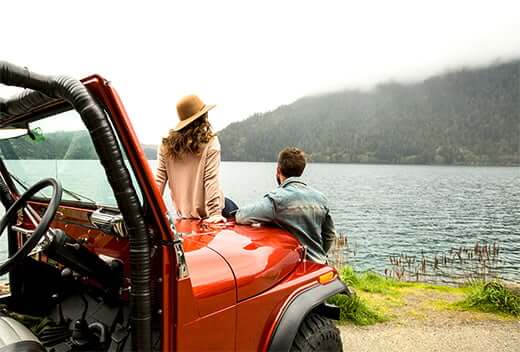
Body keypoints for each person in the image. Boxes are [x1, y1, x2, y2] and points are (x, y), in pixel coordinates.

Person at [235, 147, 336, 263]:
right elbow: (329, 234)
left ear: (278, 170)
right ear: (301, 171)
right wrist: (319, 254)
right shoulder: (321, 198)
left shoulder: (277, 200)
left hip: (294, 267)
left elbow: (241, 216)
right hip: (319, 265)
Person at [155, 94, 236, 223]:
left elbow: (158, 181)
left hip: (185, 212)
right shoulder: (210, 142)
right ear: (203, 117)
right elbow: (210, 180)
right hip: (211, 210)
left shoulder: (166, 146)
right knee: (239, 213)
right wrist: (215, 213)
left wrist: (149, 212)